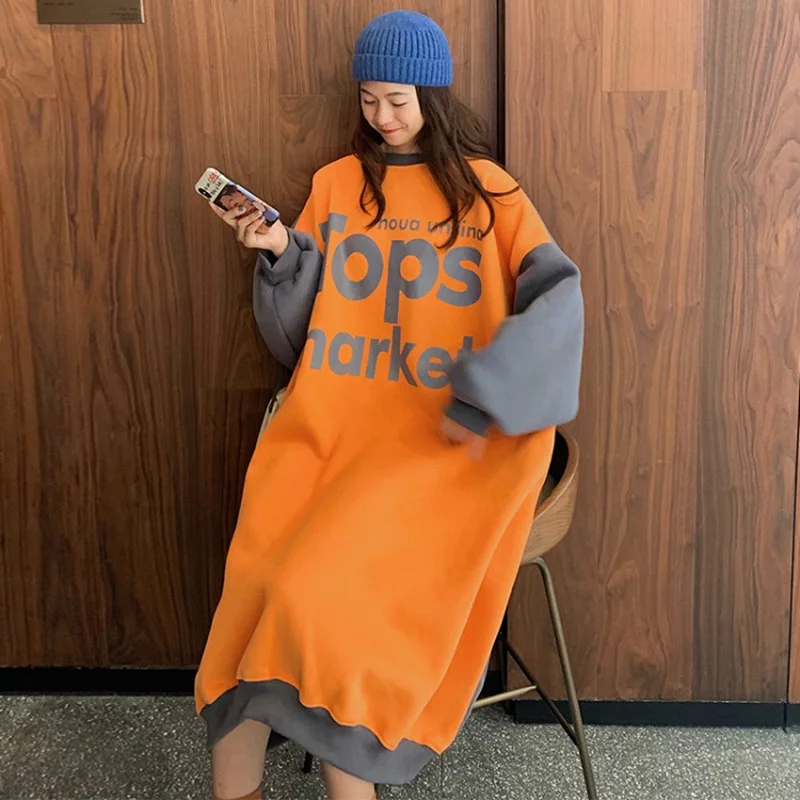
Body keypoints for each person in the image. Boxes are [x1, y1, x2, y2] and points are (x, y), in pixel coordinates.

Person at [198, 10, 584, 800]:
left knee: (322, 608)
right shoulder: (336, 184)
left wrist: (479, 399)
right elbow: (302, 336)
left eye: (399, 100)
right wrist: (280, 254)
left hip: (443, 450)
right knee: (252, 605)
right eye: (369, 99)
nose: (382, 116)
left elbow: (559, 305)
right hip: (331, 430)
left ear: (432, 98)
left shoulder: (492, 194)